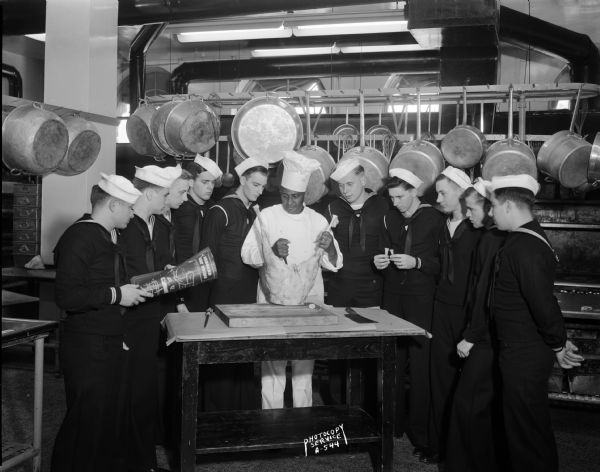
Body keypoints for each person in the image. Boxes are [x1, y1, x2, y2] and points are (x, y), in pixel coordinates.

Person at [51, 174, 152, 472]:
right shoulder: (80, 236)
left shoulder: (107, 236)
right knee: (86, 421)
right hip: (87, 344)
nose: (133, 214)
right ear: (113, 204)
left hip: (107, 338)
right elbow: (67, 296)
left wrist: (117, 329)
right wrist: (116, 294)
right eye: (129, 208)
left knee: (106, 421)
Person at [488, 174, 583, 472]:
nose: (491, 213)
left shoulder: (524, 247)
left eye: (492, 207)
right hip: (521, 348)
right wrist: (557, 340)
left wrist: (557, 342)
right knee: (522, 427)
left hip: (524, 353)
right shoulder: (524, 239)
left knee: (527, 431)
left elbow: (541, 302)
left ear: (507, 205)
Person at [241, 150, 343, 409]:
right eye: (284, 195)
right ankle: (271, 423)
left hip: (308, 300)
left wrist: (329, 246)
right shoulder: (267, 216)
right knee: (272, 365)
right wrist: (270, 250)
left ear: (304, 195)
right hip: (271, 299)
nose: (288, 202)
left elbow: (334, 263)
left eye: (295, 197)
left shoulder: (317, 220)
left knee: (303, 364)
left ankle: (302, 422)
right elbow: (247, 253)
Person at [373, 168, 444, 459]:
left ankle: (421, 432)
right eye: (392, 198)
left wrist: (416, 262)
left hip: (421, 300)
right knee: (393, 363)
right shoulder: (389, 218)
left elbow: (442, 265)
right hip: (393, 297)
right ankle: (394, 424)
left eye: (401, 197)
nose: (396, 203)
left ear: (415, 192)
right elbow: (381, 251)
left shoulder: (435, 219)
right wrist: (378, 261)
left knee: (419, 365)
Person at [119, 164, 180, 472]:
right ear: (151, 193)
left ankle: (145, 458)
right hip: (129, 319)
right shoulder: (124, 225)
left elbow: (158, 265)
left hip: (153, 314)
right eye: (166, 194)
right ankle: (135, 460)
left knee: (147, 388)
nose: (168, 199)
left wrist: (169, 273)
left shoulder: (160, 224)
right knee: (132, 389)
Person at [445, 178, 506, 472]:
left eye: (471, 209)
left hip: (483, 339)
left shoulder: (491, 240)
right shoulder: (493, 237)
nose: (468, 216)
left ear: (488, 207)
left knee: (467, 405)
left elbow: (484, 294)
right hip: (491, 336)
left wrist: (471, 335)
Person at [199, 156, 268, 411]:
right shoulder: (220, 211)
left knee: (244, 357)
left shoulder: (253, 212)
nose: (259, 191)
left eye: (263, 186)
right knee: (222, 361)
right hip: (223, 295)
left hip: (248, 294)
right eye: (255, 184)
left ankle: (243, 414)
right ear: (242, 180)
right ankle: (218, 415)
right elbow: (206, 261)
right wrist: (208, 302)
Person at [325, 157, 389, 410]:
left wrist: (386, 260)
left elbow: (390, 241)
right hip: (340, 286)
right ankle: (337, 406)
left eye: (350, 184)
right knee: (339, 349)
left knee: (370, 350)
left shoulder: (382, 206)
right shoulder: (332, 208)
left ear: (363, 179)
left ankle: (371, 408)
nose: (345, 190)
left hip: (371, 287)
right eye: (341, 186)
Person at [428, 166, 481, 463]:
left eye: (442, 193)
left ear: (462, 194)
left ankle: (464, 448)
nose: (437, 198)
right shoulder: (441, 224)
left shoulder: (477, 230)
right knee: (440, 376)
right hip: (442, 307)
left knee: (468, 384)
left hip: (467, 312)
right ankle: (438, 444)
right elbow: (437, 266)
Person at [172, 154, 222, 312]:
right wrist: (179, 299)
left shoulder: (213, 207)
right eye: (205, 182)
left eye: (213, 182)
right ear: (191, 182)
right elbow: (180, 254)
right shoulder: (182, 209)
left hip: (209, 282)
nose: (210, 187)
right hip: (187, 283)